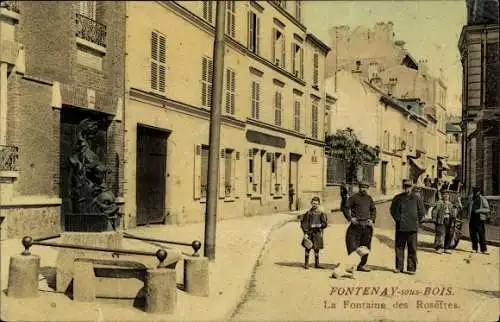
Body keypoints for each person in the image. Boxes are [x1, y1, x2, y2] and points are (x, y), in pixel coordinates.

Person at [390, 179, 426, 274]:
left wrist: (416, 220)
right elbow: (392, 210)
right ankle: (399, 267)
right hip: (400, 227)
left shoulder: (417, 198)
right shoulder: (397, 198)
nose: (407, 189)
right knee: (399, 247)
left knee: (412, 248)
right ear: (403, 187)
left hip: (412, 227)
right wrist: (398, 219)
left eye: (409, 187)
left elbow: (422, 212)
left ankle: (411, 268)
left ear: (412, 187)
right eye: (405, 186)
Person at [342, 181, 376, 272]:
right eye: (362, 187)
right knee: (353, 245)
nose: (364, 189)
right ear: (359, 187)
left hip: (367, 226)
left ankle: (362, 265)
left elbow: (373, 210)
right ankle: (352, 265)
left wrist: (372, 219)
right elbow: (345, 208)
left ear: (367, 188)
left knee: (366, 246)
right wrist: (350, 219)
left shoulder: (369, 198)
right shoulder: (353, 198)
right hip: (356, 225)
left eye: (365, 187)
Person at [300, 196, 328, 269]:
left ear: (319, 204)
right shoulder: (308, 213)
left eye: (316, 203)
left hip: (318, 233)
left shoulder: (321, 213)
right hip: (309, 233)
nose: (314, 205)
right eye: (313, 203)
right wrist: (305, 233)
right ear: (311, 203)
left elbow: (325, 224)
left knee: (316, 248)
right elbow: (304, 223)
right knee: (308, 247)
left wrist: (318, 225)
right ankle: (306, 264)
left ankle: (317, 264)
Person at [466, 187, 490, 254]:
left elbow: (487, 209)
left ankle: (483, 250)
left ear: (479, 192)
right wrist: (468, 215)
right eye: (474, 191)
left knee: (481, 235)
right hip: (472, 219)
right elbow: (467, 207)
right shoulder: (471, 198)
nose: (475, 193)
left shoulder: (483, 199)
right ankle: (474, 248)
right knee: (473, 235)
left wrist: (479, 210)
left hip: (479, 219)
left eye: (476, 192)